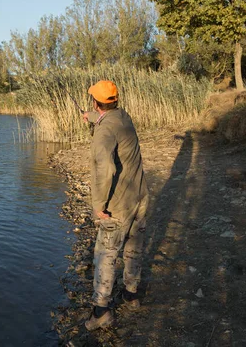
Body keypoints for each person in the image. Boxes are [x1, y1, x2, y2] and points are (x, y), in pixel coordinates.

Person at [81, 80, 149, 331]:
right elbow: (106, 120)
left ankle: (101, 311)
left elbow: (106, 168)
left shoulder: (104, 131)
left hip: (118, 205)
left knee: (105, 255)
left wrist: (98, 205)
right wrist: (91, 117)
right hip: (140, 196)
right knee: (134, 247)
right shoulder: (123, 116)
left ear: (96, 103)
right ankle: (131, 294)